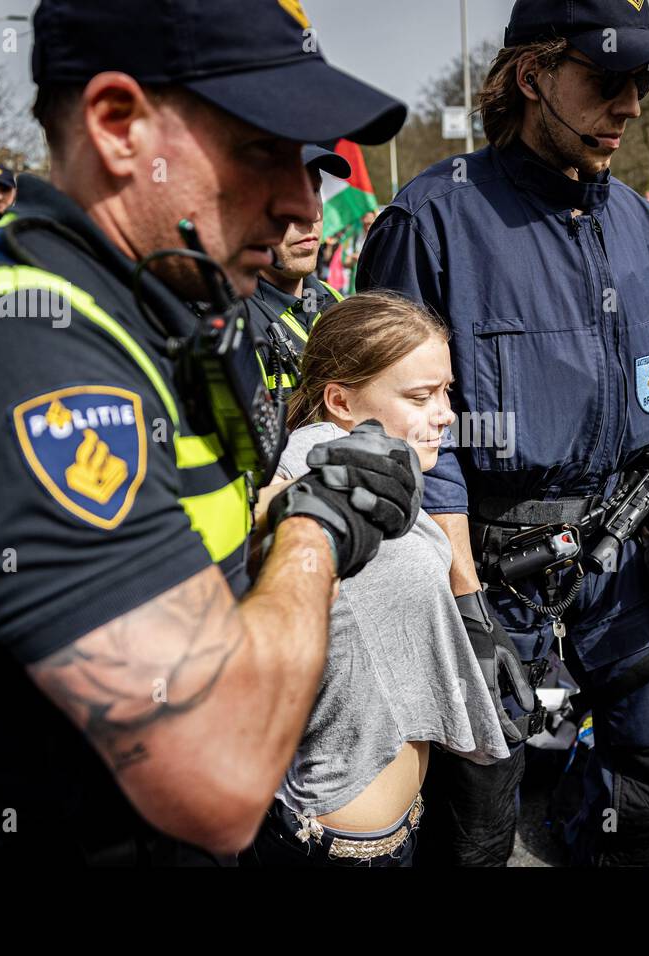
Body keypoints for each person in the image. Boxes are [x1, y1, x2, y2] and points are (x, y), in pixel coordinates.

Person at [0, 0, 415, 866]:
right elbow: (220, 775)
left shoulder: (172, 310)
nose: (299, 203)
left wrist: (281, 514)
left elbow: (192, 555)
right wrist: (318, 528)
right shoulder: (11, 347)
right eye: (261, 148)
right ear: (119, 125)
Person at [357, 0, 649, 867]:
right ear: (532, 77)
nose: (632, 105)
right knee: (476, 818)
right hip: (487, 568)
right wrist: (461, 603)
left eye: (639, 83)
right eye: (608, 81)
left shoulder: (639, 220)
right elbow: (416, 440)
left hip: (628, 551)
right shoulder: (433, 221)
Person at [245, 292, 509, 867]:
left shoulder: (389, 478)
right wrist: (283, 507)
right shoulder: (322, 466)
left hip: (392, 828)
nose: (445, 414)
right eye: (419, 396)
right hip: (330, 846)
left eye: (445, 391)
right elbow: (274, 511)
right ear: (339, 400)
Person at [244, 144, 350, 396]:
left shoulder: (334, 301)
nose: (312, 214)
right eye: (290, 196)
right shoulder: (234, 322)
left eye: (315, 191)